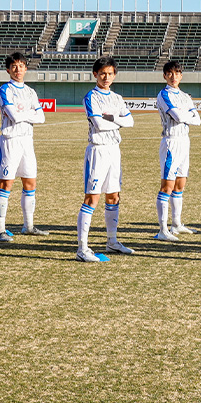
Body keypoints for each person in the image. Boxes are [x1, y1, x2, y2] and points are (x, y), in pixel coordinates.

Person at [75, 56, 135, 262]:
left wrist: (111, 118)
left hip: (114, 150)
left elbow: (131, 122)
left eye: (109, 74)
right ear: (95, 74)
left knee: (113, 196)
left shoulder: (117, 98)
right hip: (98, 150)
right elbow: (99, 124)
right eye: (102, 73)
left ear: (114, 75)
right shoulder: (91, 96)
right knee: (92, 198)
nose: (106, 77)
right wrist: (117, 121)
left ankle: (112, 242)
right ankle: (82, 249)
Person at [0, 52, 47, 242]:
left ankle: (29, 226)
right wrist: (29, 112)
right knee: (6, 184)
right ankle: (0, 229)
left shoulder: (30, 92)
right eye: (14, 66)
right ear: (8, 69)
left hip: (27, 141)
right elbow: (14, 117)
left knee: (30, 183)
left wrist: (22, 112)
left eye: (21, 66)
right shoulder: (4, 90)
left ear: (26, 68)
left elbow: (41, 117)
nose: (18, 70)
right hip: (10, 140)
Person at [154, 60, 201, 241]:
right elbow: (178, 115)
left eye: (177, 73)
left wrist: (186, 115)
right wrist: (186, 114)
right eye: (170, 73)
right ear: (165, 76)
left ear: (181, 75)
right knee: (167, 185)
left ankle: (176, 224)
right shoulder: (163, 95)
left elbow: (198, 120)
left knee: (180, 184)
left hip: (185, 141)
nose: (174, 77)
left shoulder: (185, 96)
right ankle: (162, 230)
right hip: (171, 142)